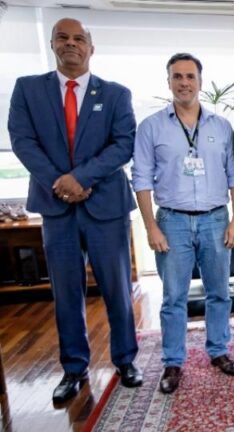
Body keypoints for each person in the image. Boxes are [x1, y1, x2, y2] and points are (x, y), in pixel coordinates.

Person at [8, 17, 142, 403]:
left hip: (105, 206)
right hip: (56, 206)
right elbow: (22, 140)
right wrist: (61, 182)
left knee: (117, 288)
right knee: (66, 292)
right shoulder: (28, 89)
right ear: (52, 44)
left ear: (90, 47)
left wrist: (81, 178)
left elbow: (123, 144)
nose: (71, 44)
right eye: (63, 38)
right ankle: (74, 368)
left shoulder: (115, 94)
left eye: (78, 38)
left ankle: (126, 360)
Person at [131, 53, 234, 394]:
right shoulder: (151, 127)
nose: (184, 82)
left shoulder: (221, 126)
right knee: (174, 298)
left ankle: (219, 351)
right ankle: (173, 361)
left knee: (219, 293)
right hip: (172, 222)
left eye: (190, 76)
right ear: (168, 81)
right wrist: (151, 227)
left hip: (215, 220)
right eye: (177, 76)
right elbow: (141, 179)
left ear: (200, 81)